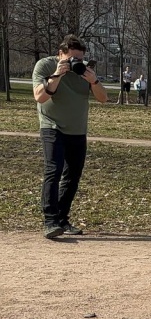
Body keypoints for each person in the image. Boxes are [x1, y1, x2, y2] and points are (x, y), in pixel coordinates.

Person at [32, 34, 108, 238]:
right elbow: (40, 96)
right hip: (52, 126)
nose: (76, 62)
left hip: (77, 129)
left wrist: (93, 81)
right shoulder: (45, 66)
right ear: (60, 54)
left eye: (79, 59)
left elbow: (103, 98)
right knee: (53, 170)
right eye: (72, 58)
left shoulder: (84, 71)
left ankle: (62, 219)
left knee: (72, 176)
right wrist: (58, 74)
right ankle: (50, 221)